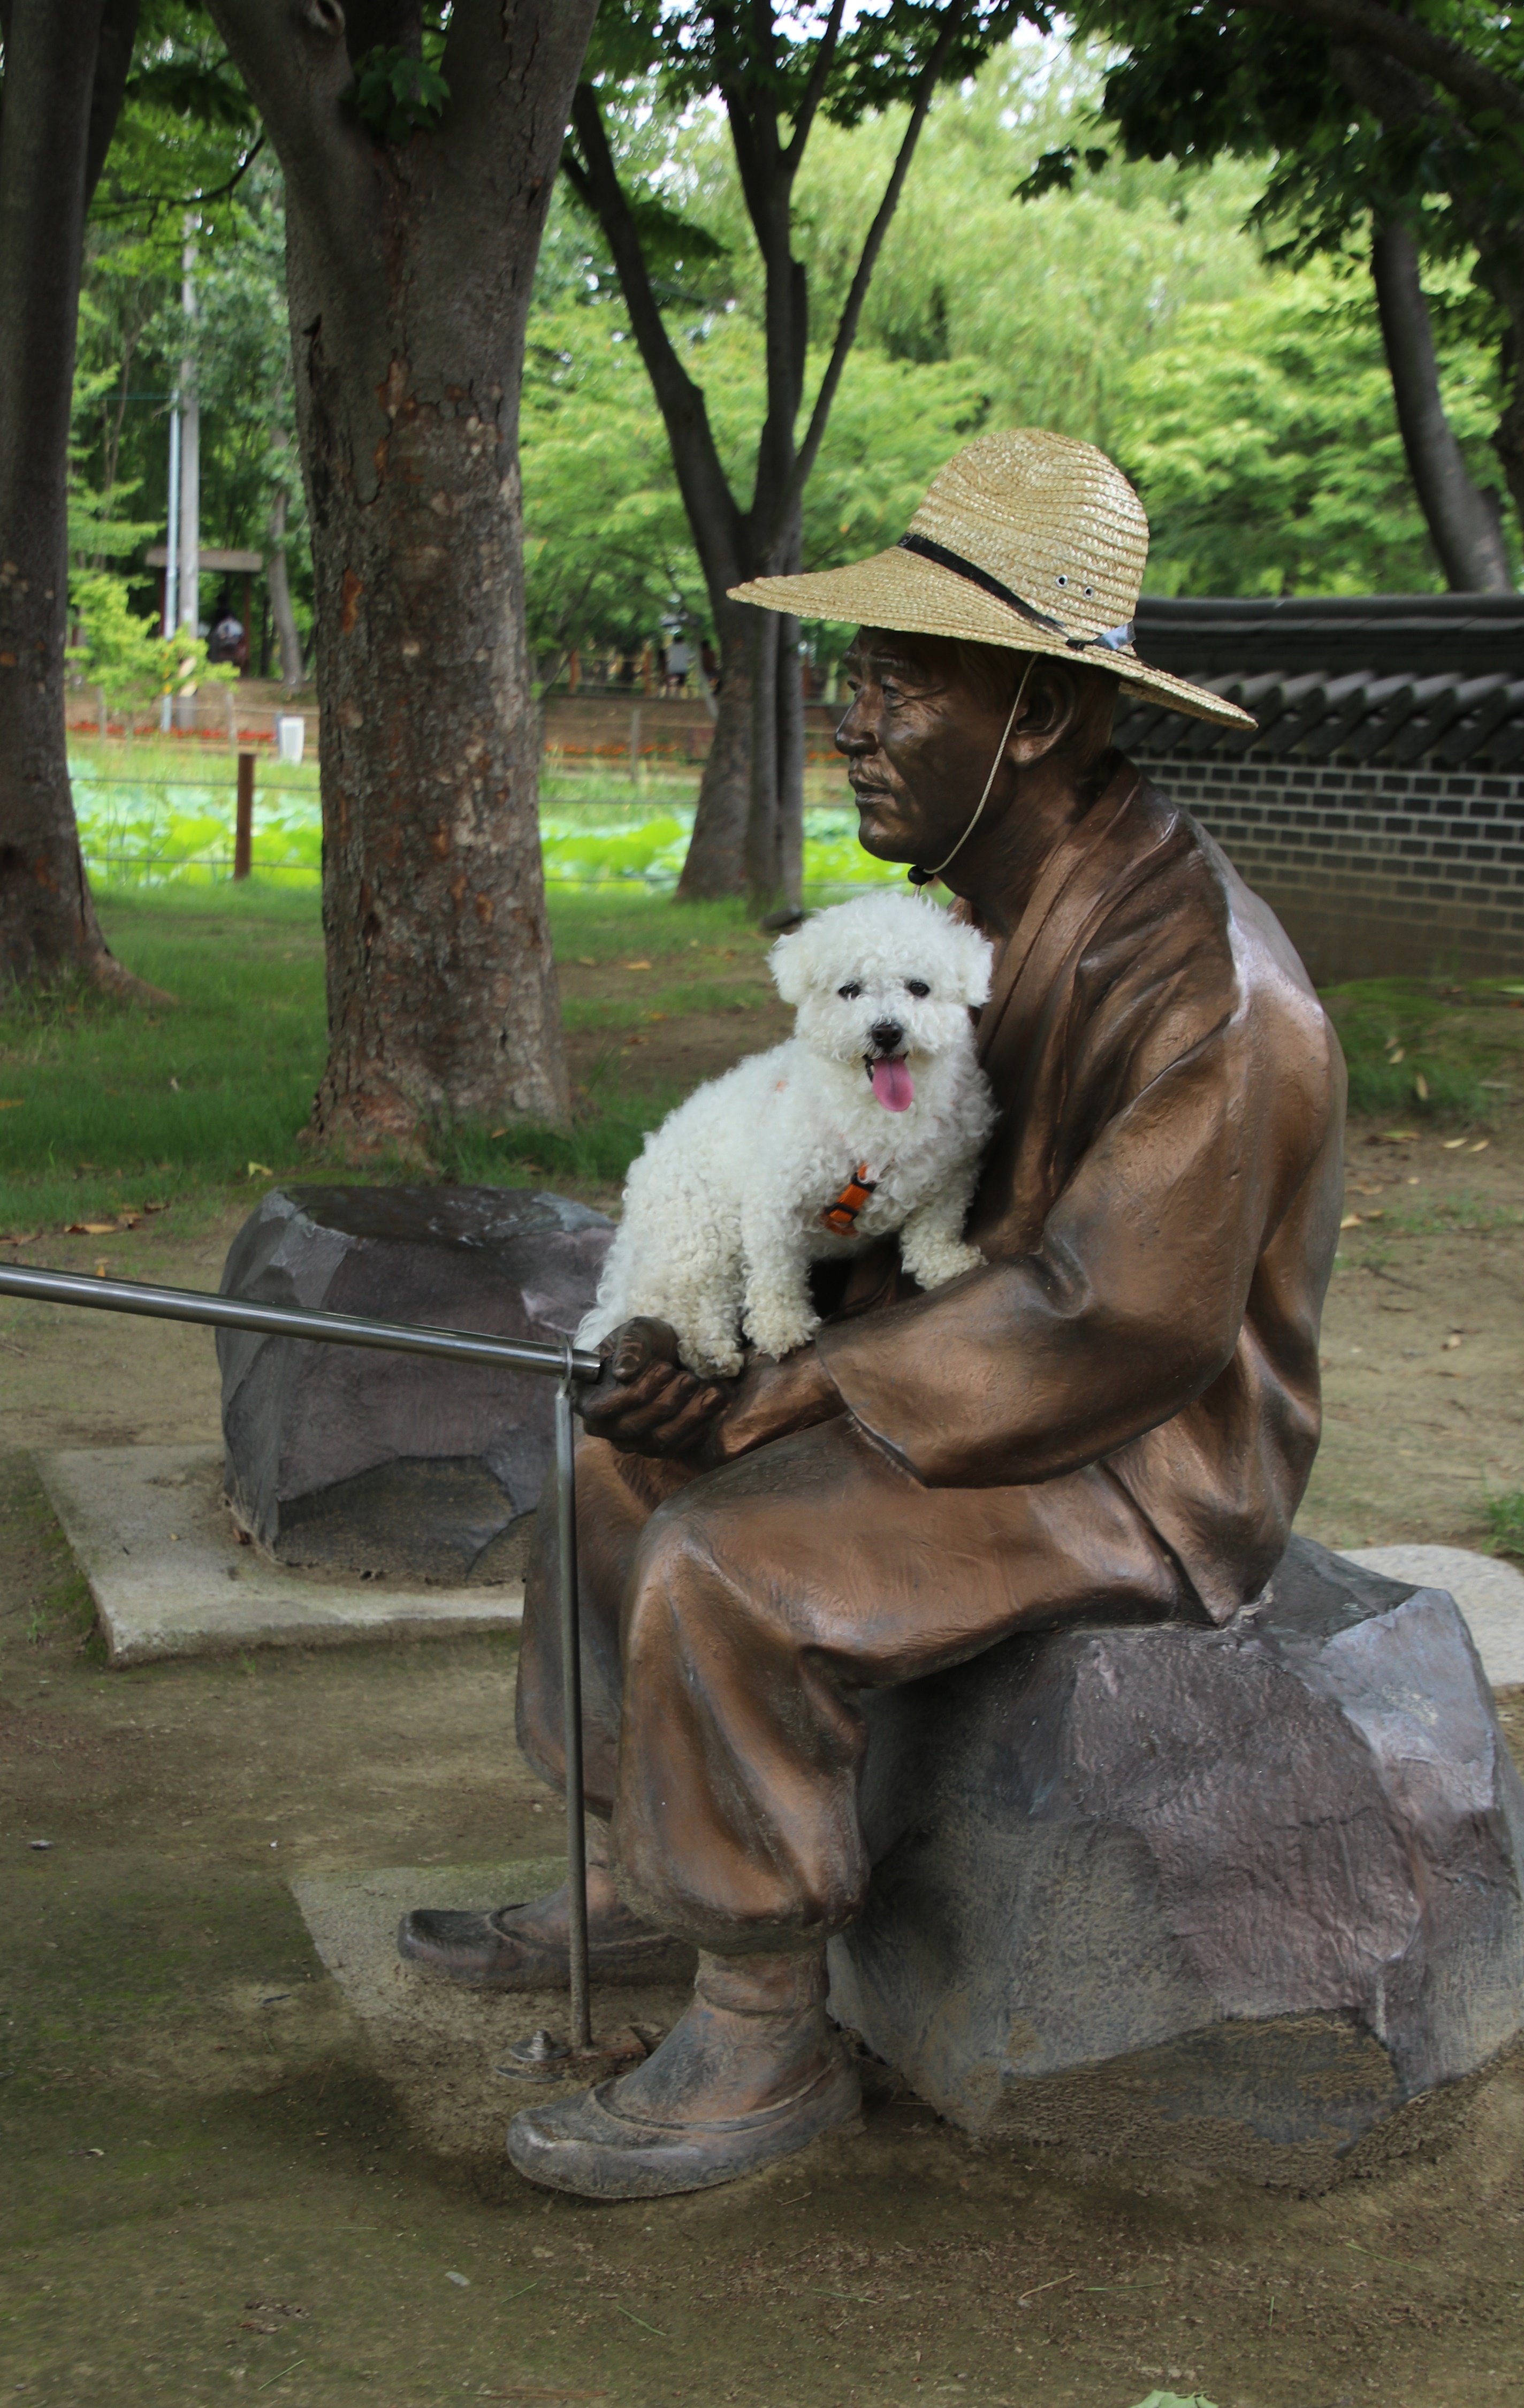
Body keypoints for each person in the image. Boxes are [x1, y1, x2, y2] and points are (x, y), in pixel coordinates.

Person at [400, 431, 1345, 2200]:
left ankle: (763, 2022)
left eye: (902, 683)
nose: (855, 719)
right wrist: (707, 1337)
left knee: (725, 1556)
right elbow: (888, 1186)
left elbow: (1118, 1315)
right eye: (862, 678)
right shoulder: (974, 915)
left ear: (1038, 714)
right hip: (967, 1360)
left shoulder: (1208, 984)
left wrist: (807, 1388)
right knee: (613, 1461)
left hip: (1142, 1446)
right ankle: (630, 1865)